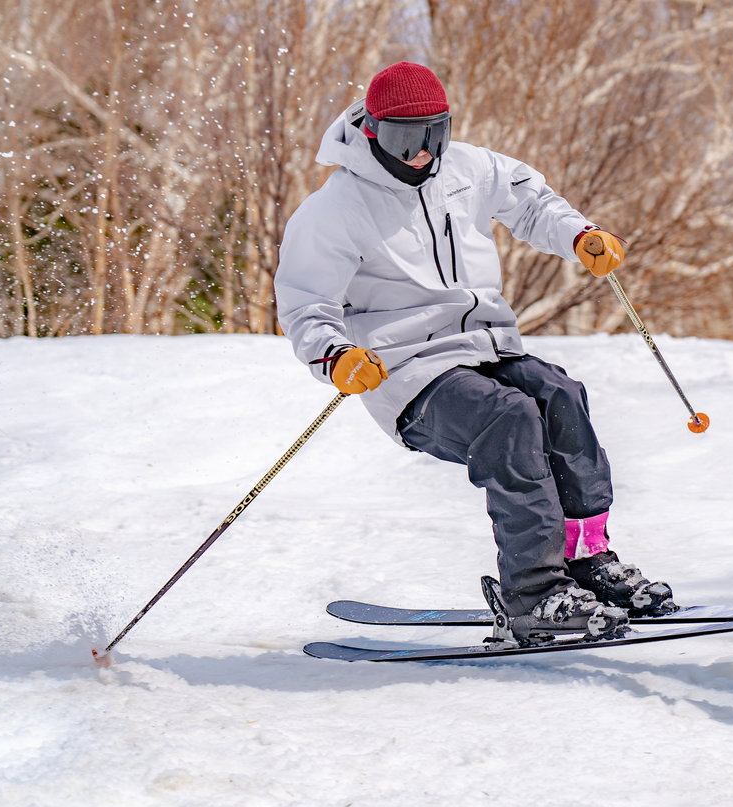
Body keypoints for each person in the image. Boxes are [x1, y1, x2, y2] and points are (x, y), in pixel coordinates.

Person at [273, 61, 676, 644]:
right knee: (507, 418)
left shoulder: (468, 169)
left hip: (484, 346)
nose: (420, 155)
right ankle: (534, 594)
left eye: (432, 136)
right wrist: (335, 356)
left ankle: (586, 560)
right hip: (405, 371)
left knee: (559, 396)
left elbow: (533, 204)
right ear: (371, 132)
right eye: (403, 139)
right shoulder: (336, 210)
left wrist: (579, 235)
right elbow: (306, 304)